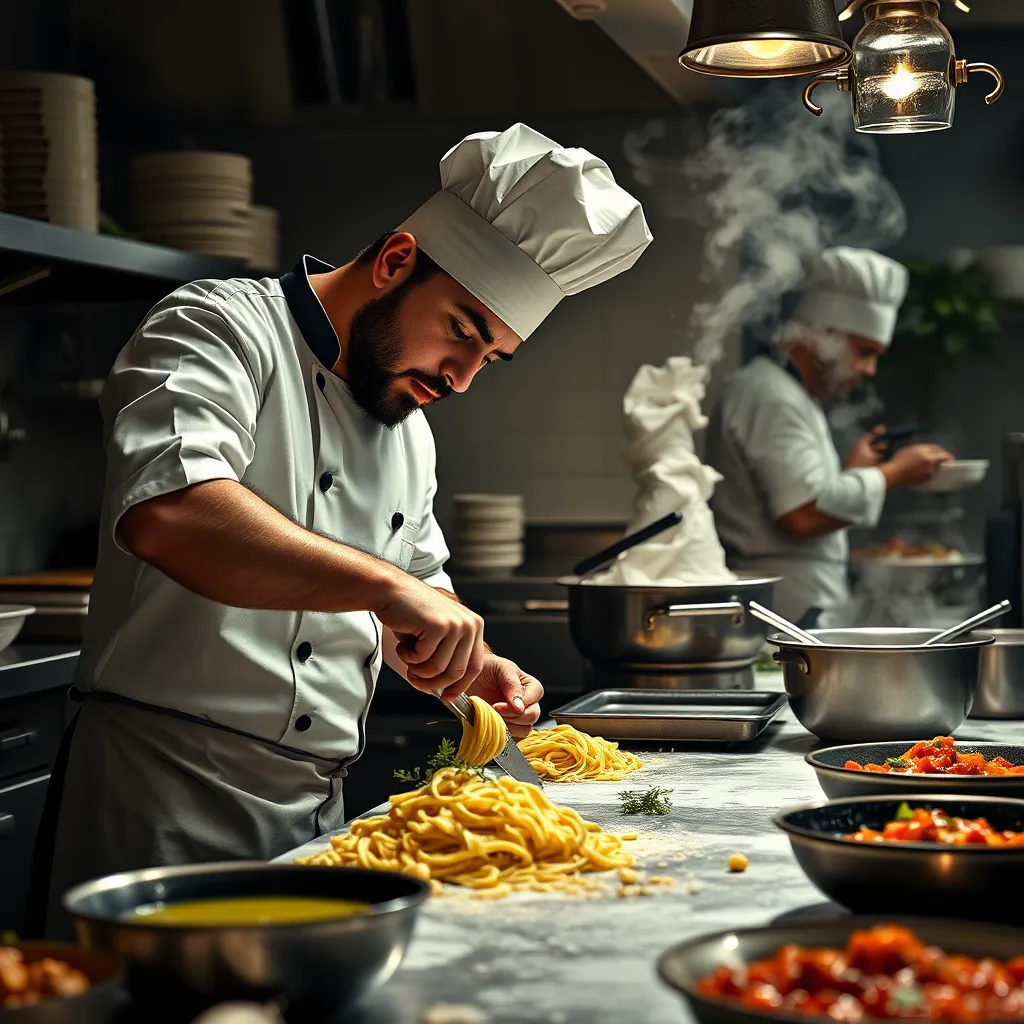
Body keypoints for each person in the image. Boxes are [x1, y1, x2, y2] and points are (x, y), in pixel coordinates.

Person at [28, 123, 652, 936]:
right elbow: (172, 514)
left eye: (491, 357)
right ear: (396, 262)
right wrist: (387, 587)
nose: (460, 378)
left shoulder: (409, 425)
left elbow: (418, 587)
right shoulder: (218, 329)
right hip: (160, 801)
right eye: (463, 329)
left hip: (320, 816)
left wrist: (472, 665)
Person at [705, 246, 952, 629]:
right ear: (826, 334)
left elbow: (811, 499)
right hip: (783, 608)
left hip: (796, 606)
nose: (869, 370)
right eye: (865, 351)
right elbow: (801, 516)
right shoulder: (770, 395)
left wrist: (853, 472)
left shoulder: (786, 394)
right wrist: (894, 474)